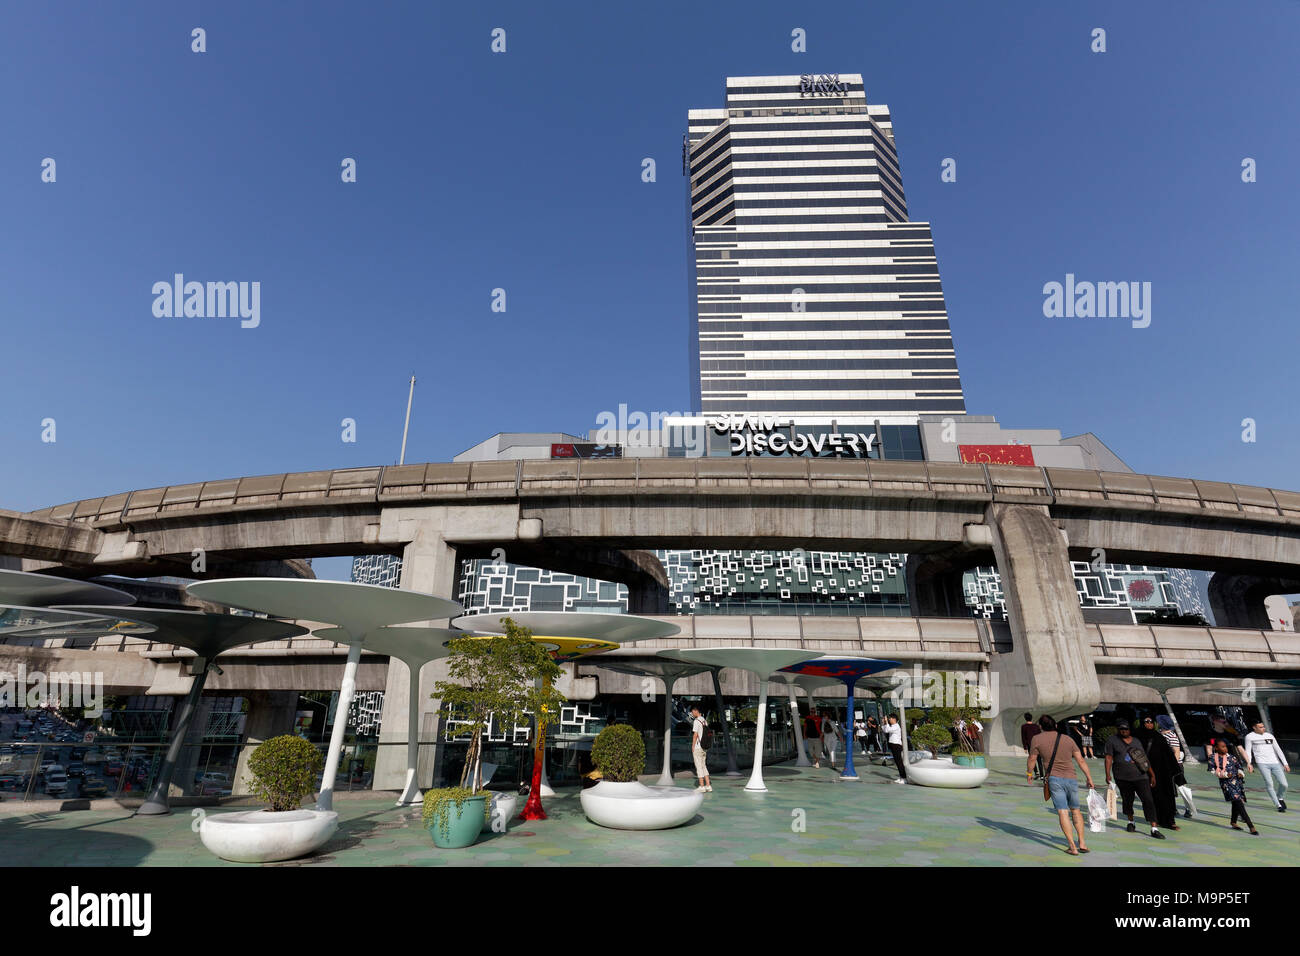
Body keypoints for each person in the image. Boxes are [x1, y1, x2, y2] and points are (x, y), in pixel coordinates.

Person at [1028, 715, 1096, 856]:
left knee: (1062, 811)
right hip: (1072, 778)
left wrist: (1029, 773)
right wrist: (1089, 778)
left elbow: (1032, 759)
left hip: (1054, 779)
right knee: (1076, 810)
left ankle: (1072, 846)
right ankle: (1082, 842)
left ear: (1041, 726)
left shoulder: (1037, 739)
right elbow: (1081, 761)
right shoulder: (1068, 739)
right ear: (1056, 726)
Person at [1104, 719, 1164, 839]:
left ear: (1130, 730)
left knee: (1148, 800)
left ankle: (1154, 828)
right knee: (1128, 800)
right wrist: (1107, 774)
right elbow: (1109, 757)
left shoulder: (1136, 741)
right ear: (1118, 729)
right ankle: (1131, 822)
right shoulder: (1112, 740)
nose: (1124, 731)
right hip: (1122, 777)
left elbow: (1144, 759)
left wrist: (1152, 774)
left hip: (1141, 776)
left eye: (1126, 729)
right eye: (1121, 729)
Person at [1136, 716, 1181, 830]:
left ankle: (1169, 821)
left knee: (1166, 796)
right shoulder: (1138, 737)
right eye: (1146, 721)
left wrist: (1177, 772)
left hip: (1162, 773)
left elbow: (1169, 755)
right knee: (1150, 798)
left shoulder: (1159, 737)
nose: (1149, 724)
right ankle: (1154, 820)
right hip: (1145, 772)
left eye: (1151, 722)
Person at [1210, 739, 1258, 835]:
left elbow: (1239, 767)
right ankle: (1251, 826)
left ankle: (1233, 822)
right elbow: (1213, 771)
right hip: (1226, 784)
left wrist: (1241, 773)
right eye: (1222, 746)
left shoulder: (1232, 757)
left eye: (1225, 746)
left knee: (1236, 802)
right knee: (1238, 802)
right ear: (1216, 748)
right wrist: (1226, 775)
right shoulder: (1212, 758)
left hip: (1237, 783)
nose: (1225, 748)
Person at [1243, 720, 1290, 812]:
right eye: (1260, 727)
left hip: (1275, 763)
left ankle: (1280, 797)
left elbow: (1278, 750)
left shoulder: (1270, 736)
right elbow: (1248, 751)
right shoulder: (1249, 737)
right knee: (1269, 783)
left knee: (1284, 784)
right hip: (1262, 763)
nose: (1263, 728)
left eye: (1263, 726)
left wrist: (1285, 763)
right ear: (1254, 727)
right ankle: (1278, 805)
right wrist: (1249, 763)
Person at [1157, 715, 1194, 819]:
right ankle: (1173, 808)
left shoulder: (1171, 736)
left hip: (1175, 766)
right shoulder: (1160, 734)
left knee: (1182, 787)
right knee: (1168, 788)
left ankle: (1188, 808)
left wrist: (1171, 766)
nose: (1157, 723)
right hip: (1164, 765)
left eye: (1159, 722)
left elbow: (1176, 752)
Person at [689, 705, 712, 793]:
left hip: (698, 747)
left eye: (692, 711)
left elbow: (695, 735)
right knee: (704, 766)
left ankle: (702, 786)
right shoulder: (704, 720)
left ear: (696, 711)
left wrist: (693, 746)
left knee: (699, 766)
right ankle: (708, 785)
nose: (691, 713)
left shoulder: (696, 721)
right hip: (705, 747)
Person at [1020, 712, 1044, 779]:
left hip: (1030, 745)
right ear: (1031, 718)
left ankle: (1037, 773)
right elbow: (1040, 736)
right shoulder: (1036, 726)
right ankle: (1042, 776)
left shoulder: (1024, 727)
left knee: (1032, 760)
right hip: (1038, 745)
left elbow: (1023, 738)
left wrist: (1025, 747)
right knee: (1039, 760)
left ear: (1025, 718)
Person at [884, 713, 906, 783]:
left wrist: (886, 722)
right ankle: (901, 777)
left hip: (896, 745)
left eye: (890, 718)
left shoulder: (896, 726)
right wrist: (885, 723)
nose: (889, 720)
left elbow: (887, 730)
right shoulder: (892, 726)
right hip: (893, 745)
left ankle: (904, 778)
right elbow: (885, 730)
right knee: (897, 762)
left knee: (899, 762)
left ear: (894, 719)